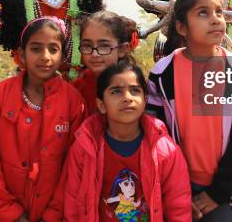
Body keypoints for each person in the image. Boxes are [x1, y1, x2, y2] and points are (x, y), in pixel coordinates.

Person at [147, 0, 232, 221]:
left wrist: (217, 193)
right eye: (203, 13)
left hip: (221, 190)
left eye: (219, 12)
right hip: (176, 185)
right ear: (181, 28)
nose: (216, 20)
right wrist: (178, 188)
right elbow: (156, 134)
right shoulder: (163, 73)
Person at [0, 16, 86, 221]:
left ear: (63, 56)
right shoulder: (0, 95)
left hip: (48, 212)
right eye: (36, 49)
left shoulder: (73, 101)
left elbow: (73, 167)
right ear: (21, 54)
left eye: (53, 49)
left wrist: (53, 214)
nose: (45, 57)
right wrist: (10, 213)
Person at [63, 61, 192, 221]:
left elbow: (178, 205)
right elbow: (73, 202)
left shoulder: (164, 150)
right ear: (101, 105)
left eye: (135, 90)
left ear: (145, 101)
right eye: (116, 91)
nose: (127, 98)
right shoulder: (85, 148)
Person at [72, 11, 140, 114]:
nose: (94, 54)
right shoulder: (76, 88)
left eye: (104, 46)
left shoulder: (135, 87)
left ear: (122, 49)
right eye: (87, 45)